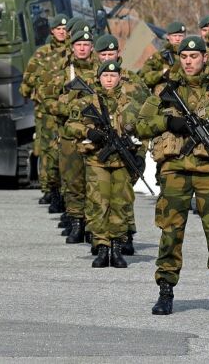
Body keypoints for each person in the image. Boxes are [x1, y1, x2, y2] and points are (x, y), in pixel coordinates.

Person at [128, 35, 209, 318]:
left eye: (195, 56)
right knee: (170, 233)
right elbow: (139, 125)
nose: (189, 61)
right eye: (184, 57)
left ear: (205, 58)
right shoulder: (165, 91)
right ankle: (165, 291)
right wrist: (168, 122)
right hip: (175, 170)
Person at [65, 60, 147, 268]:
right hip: (97, 160)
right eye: (105, 76)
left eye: (113, 76)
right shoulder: (87, 102)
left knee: (121, 204)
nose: (109, 79)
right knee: (97, 204)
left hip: (121, 162)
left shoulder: (131, 103)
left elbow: (143, 132)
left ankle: (117, 248)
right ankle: (102, 247)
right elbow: (70, 125)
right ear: (99, 78)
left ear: (120, 77)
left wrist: (140, 155)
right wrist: (87, 132)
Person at [43, 29, 98, 243]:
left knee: (94, 181)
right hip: (69, 133)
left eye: (86, 44)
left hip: (95, 132)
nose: (83, 48)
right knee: (72, 180)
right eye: (78, 44)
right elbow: (45, 98)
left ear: (92, 47)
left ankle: (94, 225)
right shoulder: (62, 72)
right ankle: (77, 222)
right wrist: (69, 109)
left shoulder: (100, 71)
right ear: (72, 47)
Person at [22, 14, 70, 205]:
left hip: (66, 108)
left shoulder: (72, 53)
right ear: (52, 31)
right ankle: (48, 188)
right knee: (46, 150)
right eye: (58, 29)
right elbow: (27, 81)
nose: (61, 32)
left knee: (65, 149)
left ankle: (65, 188)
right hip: (45, 111)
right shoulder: (41, 54)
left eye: (64, 29)